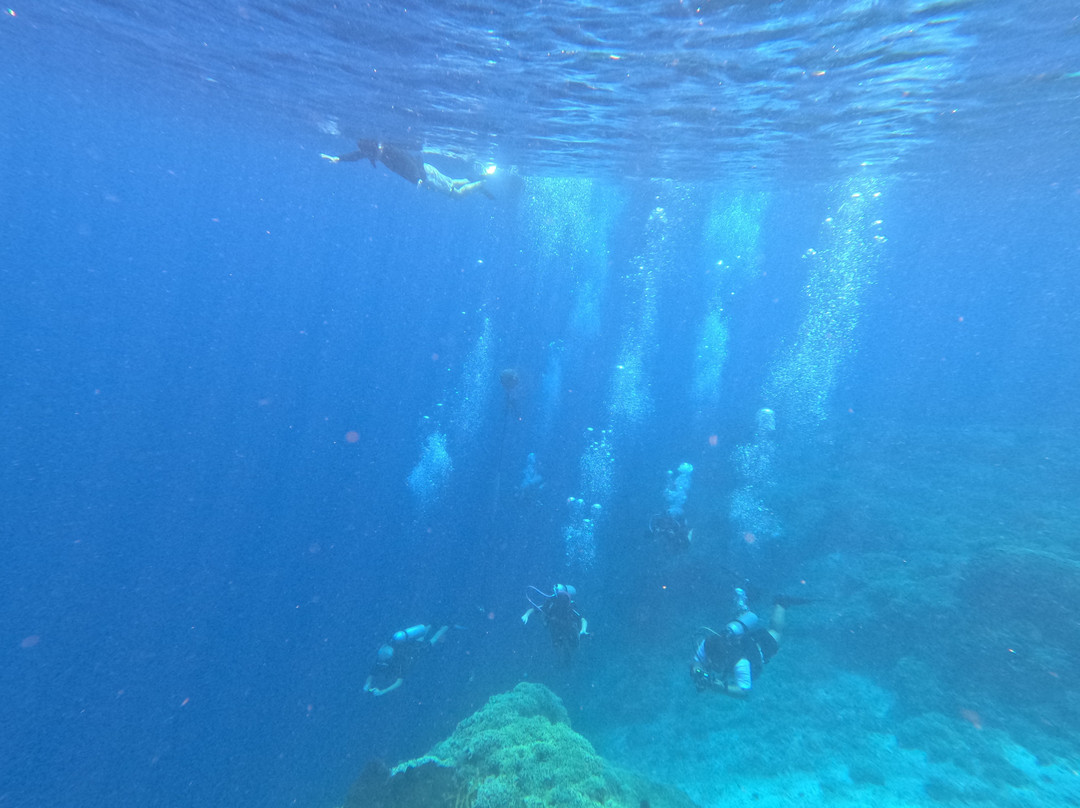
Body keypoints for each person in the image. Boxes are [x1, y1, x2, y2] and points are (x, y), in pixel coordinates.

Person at [691, 588, 785, 697]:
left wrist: (723, 688)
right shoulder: (708, 644)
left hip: (758, 647)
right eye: (711, 660)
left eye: (716, 662)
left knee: (776, 631)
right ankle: (744, 609)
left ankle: (781, 603)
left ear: (725, 658)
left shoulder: (740, 662)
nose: (711, 663)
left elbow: (744, 692)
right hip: (742, 640)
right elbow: (696, 662)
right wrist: (697, 672)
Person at [321, 139, 492, 198]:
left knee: (456, 195)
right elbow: (357, 155)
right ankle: (475, 178)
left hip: (424, 176)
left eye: (368, 153)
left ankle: (481, 183)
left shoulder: (389, 152)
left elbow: (408, 161)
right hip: (425, 171)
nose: (368, 156)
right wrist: (338, 158)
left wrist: (418, 178)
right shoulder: (378, 152)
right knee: (452, 182)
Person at [363, 623, 449, 696]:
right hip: (411, 644)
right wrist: (368, 684)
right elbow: (372, 673)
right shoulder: (382, 657)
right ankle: (429, 626)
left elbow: (399, 682)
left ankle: (445, 627)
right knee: (420, 640)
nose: (382, 663)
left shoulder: (398, 661)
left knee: (432, 641)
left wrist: (382, 692)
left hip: (415, 651)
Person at [522, 583, 588, 664]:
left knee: (573, 644)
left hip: (567, 627)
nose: (561, 602)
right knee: (558, 645)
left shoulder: (570, 606)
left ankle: (571, 660)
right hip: (556, 627)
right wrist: (526, 615)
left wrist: (583, 630)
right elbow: (534, 609)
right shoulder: (551, 603)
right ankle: (564, 662)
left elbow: (582, 619)